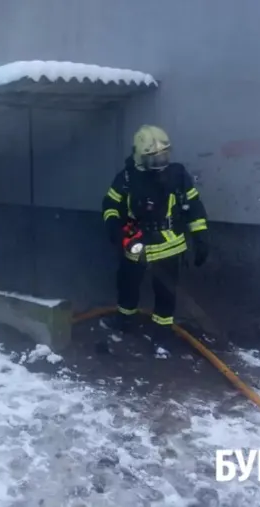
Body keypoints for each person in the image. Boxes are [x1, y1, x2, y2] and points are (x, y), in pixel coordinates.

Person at [101, 125, 209, 356]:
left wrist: (200, 237)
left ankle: (162, 334)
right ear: (140, 156)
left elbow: (194, 207)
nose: (161, 161)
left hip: (170, 246)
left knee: (166, 292)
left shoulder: (177, 175)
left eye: (164, 155)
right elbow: (110, 205)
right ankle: (125, 320)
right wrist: (114, 229)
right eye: (154, 157)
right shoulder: (127, 178)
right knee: (127, 284)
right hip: (135, 245)